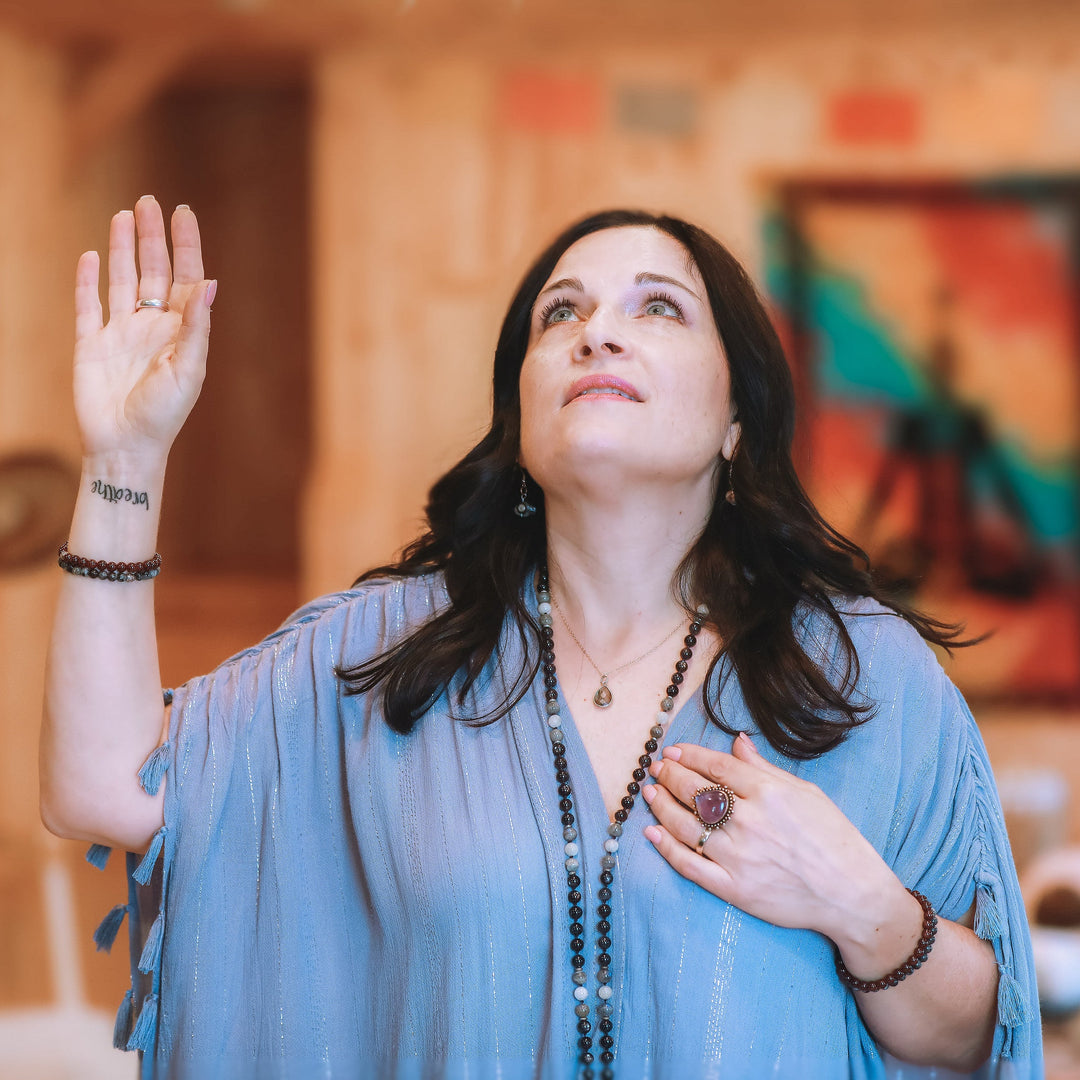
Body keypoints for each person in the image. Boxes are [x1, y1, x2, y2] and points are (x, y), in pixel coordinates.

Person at [41, 197, 1041, 1080]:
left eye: (658, 307)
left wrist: (857, 901)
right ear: (519, 419)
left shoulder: (867, 680)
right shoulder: (383, 659)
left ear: (739, 416)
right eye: (560, 313)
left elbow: (970, 1040)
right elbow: (101, 785)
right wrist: (126, 458)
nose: (596, 334)